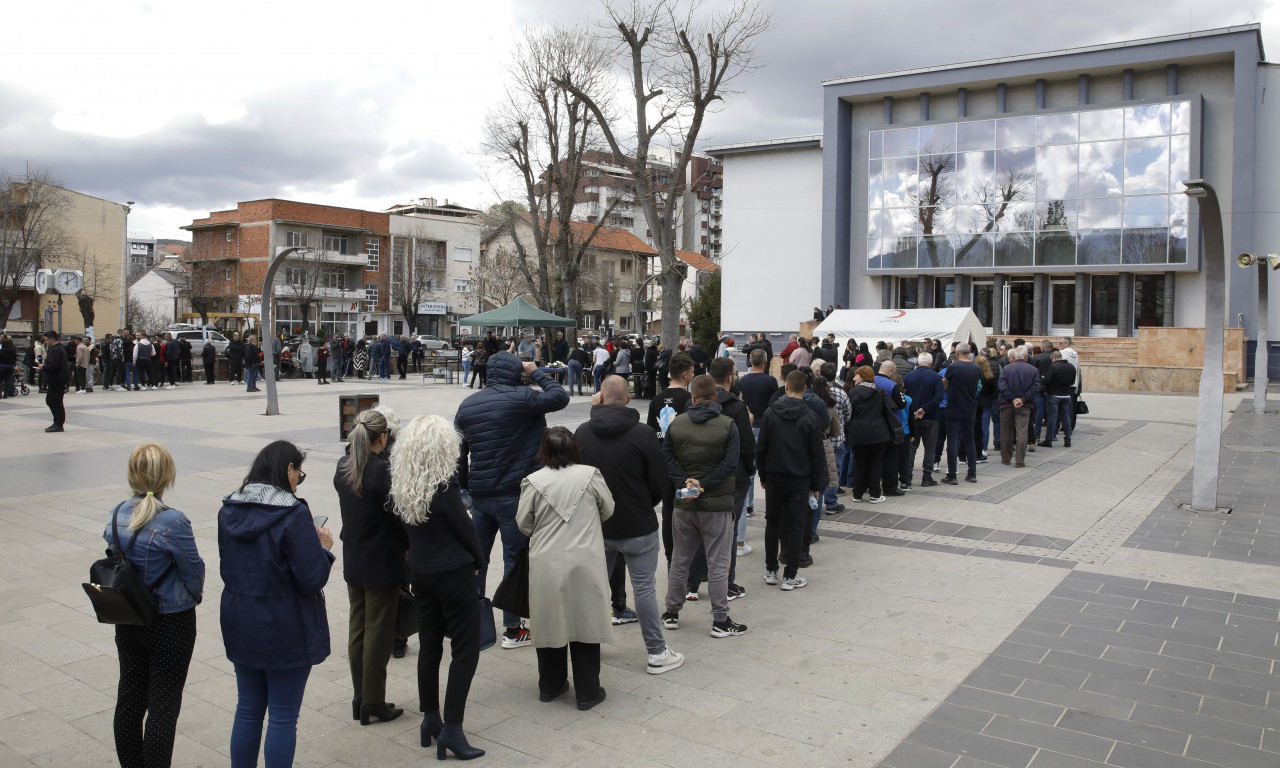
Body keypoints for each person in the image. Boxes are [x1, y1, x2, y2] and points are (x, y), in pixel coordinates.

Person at [218, 441, 334, 768]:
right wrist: (322, 547)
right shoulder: (293, 512)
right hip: (285, 624)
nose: (299, 480)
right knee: (283, 716)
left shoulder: (229, 509)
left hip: (240, 618)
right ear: (287, 469)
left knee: (248, 709)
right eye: (300, 472)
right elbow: (311, 577)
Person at [455, 351, 569, 649]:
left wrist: (466, 489)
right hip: (514, 494)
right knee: (515, 560)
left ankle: (471, 623)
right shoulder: (523, 397)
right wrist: (535, 373)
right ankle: (512, 627)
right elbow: (559, 396)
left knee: (476, 559)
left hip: (481, 496)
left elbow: (459, 454)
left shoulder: (468, 404)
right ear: (516, 370)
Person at [390, 416, 487, 759]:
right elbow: (467, 533)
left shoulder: (404, 484)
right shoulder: (444, 488)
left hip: (421, 571)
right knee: (465, 650)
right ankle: (452, 729)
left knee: (430, 646)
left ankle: (430, 717)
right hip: (453, 573)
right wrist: (480, 562)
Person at [576, 376, 684, 673]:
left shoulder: (583, 433)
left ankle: (590, 648)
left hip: (598, 524)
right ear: (627, 399)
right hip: (638, 524)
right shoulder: (644, 434)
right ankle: (657, 652)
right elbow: (659, 480)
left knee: (596, 589)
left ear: (599, 398)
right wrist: (644, 503)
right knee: (645, 589)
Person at [107, 443, 205, 768]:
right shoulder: (174, 521)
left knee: (130, 701)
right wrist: (193, 596)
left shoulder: (117, 513)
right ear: (167, 477)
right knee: (163, 706)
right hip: (171, 622)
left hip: (128, 616)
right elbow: (194, 572)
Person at [517, 427, 614, 710]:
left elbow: (524, 523)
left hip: (546, 560)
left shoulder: (533, 481)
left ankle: (550, 685)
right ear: (575, 448)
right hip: (585, 557)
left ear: (544, 451)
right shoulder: (590, 475)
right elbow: (607, 508)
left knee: (549, 620)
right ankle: (588, 691)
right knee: (585, 622)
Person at [334, 409, 408, 726]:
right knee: (378, 633)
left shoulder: (344, 466)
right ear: (382, 437)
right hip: (382, 560)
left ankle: (359, 696)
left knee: (358, 628)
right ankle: (373, 700)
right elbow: (399, 517)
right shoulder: (381, 471)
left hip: (355, 555)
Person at [660, 375, 746, 639]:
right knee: (718, 563)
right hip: (717, 506)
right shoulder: (728, 425)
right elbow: (731, 465)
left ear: (692, 398)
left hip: (684, 504)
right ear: (716, 397)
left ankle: (672, 613)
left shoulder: (676, 425)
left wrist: (686, 482)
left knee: (680, 560)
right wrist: (704, 484)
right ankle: (720, 620)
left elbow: (667, 457)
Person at [756, 370, 826, 590]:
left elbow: (762, 447)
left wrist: (763, 474)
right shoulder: (811, 417)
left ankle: (770, 570)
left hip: (775, 476)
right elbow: (817, 455)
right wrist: (816, 485)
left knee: (773, 523)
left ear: (786, 386)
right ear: (804, 389)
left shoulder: (770, 413)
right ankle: (790, 575)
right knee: (796, 526)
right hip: (799, 478)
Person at [647, 352, 695, 564]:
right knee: (686, 515)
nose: (694, 375)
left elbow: (650, 432)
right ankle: (684, 560)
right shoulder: (687, 400)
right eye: (693, 371)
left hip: (661, 465)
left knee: (668, 513)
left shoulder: (657, 400)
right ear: (685, 374)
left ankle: (670, 558)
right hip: (682, 466)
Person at [846, 365, 895, 502]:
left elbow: (849, 413)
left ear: (862, 377)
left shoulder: (853, 393)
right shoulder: (879, 391)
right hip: (878, 433)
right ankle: (875, 495)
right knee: (875, 463)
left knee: (859, 463)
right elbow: (891, 406)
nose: (854, 378)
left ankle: (857, 494)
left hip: (858, 433)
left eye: (856, 375)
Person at [942, 344, 982, 484]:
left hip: (954, 406)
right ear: (970, 352)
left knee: (952, 440)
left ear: (957, 352)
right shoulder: (976, 368)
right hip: (970, 407)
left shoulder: (953, 367)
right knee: (970, 439)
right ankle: (972, 473)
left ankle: (952, 474)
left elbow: (945, 385)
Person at [903, 352, 944, 488]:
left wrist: (915, 410)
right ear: (931, 362)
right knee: (930, 448)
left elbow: (904, 397)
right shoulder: (936, 377)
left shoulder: (908, 377)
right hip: (931, 417)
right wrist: (924, 409)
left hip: (913, 417)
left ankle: (907, 478)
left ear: (918, 362)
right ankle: (927, 478)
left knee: (912, 448)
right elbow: (938, 398)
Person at [998, 347, 1041, 467]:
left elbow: (1002, 386)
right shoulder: (1033, 370)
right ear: (1026, 356)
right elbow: (1035, 388)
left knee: (1006, 431)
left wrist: (1012, 399)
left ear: (1014, 357)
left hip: (1007, 403)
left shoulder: (1007, 368)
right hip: (1025, 405)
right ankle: (1020, 460)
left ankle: (1006, 458)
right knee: (1022, 432)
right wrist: (1022, 399)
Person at [38, 330, 68, 431]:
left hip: (57, 380)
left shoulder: (56, 350)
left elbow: (53, 365)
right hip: (55, 380)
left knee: (55, 401)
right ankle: (57, 422)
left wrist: (43, 366)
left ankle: (59, 424)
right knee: (51, 400)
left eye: (46, 340)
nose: (45, 342)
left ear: (51, 339)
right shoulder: (57, 348)